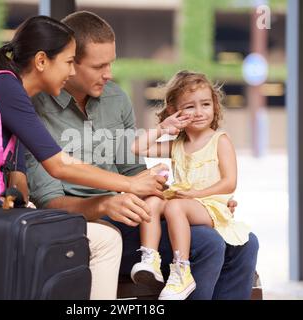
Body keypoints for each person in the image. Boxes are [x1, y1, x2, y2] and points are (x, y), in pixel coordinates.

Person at [26, 11, 259, 300]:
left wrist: (203, 201)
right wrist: (105, 204)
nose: (109, 74)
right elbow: (50, 201)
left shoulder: (116, 98)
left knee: (244, 242)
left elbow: (132, 171)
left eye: (111, 63)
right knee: (208, 243)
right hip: (91, 227)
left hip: (135, 219)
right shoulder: (36, 109)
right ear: (71, 63)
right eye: (99, 66)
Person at [0, 16, 165, 283]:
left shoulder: (5, 92)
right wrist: (128, 185)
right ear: (41, 61)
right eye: (69, 62)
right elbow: (59, 165)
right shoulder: (9, 91)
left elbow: (20, 189)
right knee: (104, 239)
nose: (71, 72)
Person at [130, 71, 252, 300]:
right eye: (189, 107)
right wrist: (163, 128)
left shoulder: (220, 140)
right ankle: (149, 259)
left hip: (211, 206)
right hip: (186, 201)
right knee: (153, 200)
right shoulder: (177, 144)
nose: (198, 112)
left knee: (175, 207)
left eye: (205, 104)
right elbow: (138, 148)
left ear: (215, 106)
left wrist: (196, 194)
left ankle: (182, 271)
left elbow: (229, 182)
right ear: (174, 111)